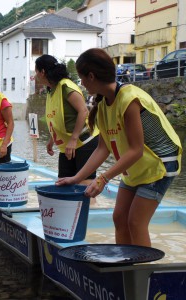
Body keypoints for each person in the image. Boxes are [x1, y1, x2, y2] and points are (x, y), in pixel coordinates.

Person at [56, 48, 182, 247]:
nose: (81, 84)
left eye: (82, 78)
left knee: (135, 222)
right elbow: (102, 149)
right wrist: (77, 178)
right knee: (119, 218)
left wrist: (103, 178)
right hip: (136, 167)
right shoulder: (104, 105)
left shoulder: (129, 99)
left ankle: (140, 274)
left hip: (159, 166)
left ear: (91, 76)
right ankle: (124, 264)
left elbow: (136, 149)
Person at [35, 54, 99, 187]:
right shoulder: (51, 90)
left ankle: (90, 207)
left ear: (42, 72)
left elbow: (83, 111)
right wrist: (52, 139)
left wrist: (74, 139)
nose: (35, 76)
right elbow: (56, 118)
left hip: (84, 141)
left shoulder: (66, 87)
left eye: (36, 71)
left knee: (85, 185)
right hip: (67, 145)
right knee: (63, 182)